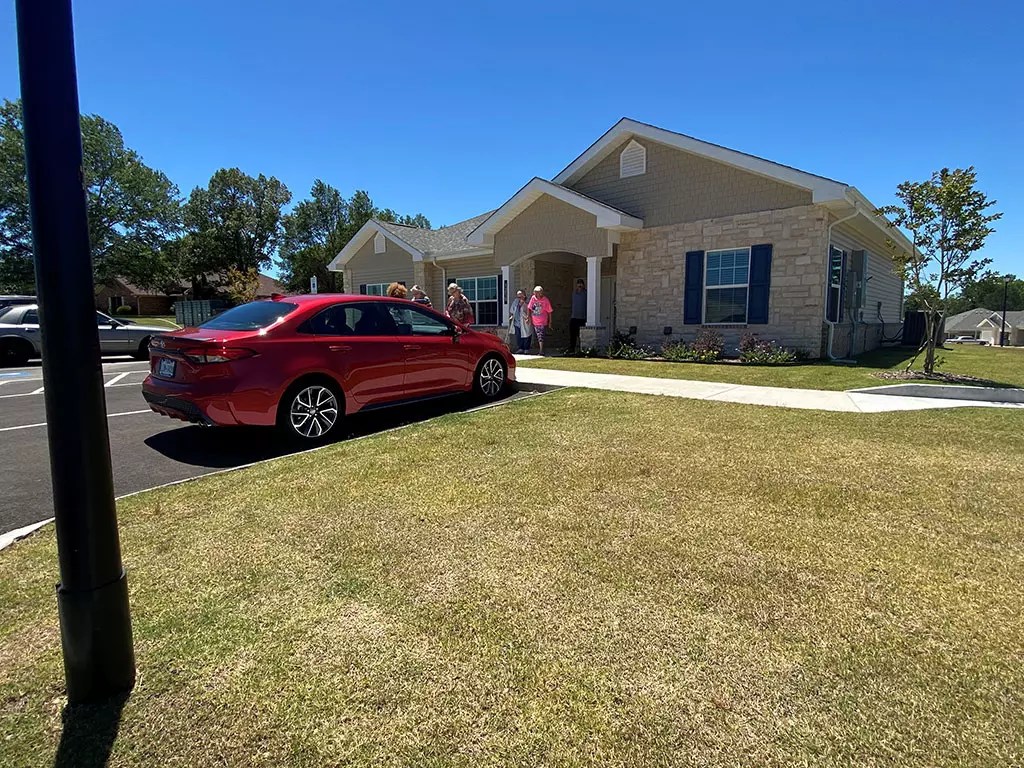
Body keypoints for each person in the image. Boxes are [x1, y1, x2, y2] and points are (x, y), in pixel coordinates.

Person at [526, 285, 553, 355]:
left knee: (540, 335)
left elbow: (549, 311)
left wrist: (550, 322)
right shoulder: (533, 298)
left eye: (538, 292)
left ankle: (541, 351)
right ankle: (541, 349)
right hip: (535, 321)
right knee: (539, 335)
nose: (537, 294)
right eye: (535, 292)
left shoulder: (545, 300)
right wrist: (528, 317)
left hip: (542, 321)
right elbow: (529, 308)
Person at [508, 289, 533, 353]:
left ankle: (526, 349)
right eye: (518, 296)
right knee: (518, 336)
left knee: (527, 335)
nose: (519, 298)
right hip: (517, 322)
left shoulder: (527, 302)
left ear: (524, 295)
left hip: (525, 321)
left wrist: (523, 303)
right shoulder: (515, 301)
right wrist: (511, 316)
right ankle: (520, 348)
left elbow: (530, 311)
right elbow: (512, 310)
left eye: (520, 296)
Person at [569, 278, 587, 354]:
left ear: (583, 285)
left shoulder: (586, 293)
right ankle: (572, 349)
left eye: (581, 284)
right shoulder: (574, 293)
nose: (579, 285)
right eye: (578, 284)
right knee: (572, 335)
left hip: (582, 318)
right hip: (574, 317)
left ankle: (581, 350)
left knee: (581, 335)